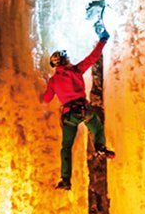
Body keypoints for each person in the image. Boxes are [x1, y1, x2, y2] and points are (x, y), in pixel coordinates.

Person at [40, 30, 115, 190]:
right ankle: (100, 146)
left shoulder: (53, 81)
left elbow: (46, 99)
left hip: (68, 116)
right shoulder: (76, 70)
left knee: (66, 147)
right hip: (83, 109)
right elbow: (92, 57)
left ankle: (65, 179)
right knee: (96, 127)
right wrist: (103, 40)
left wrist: (46, 83)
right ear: (64, 60)